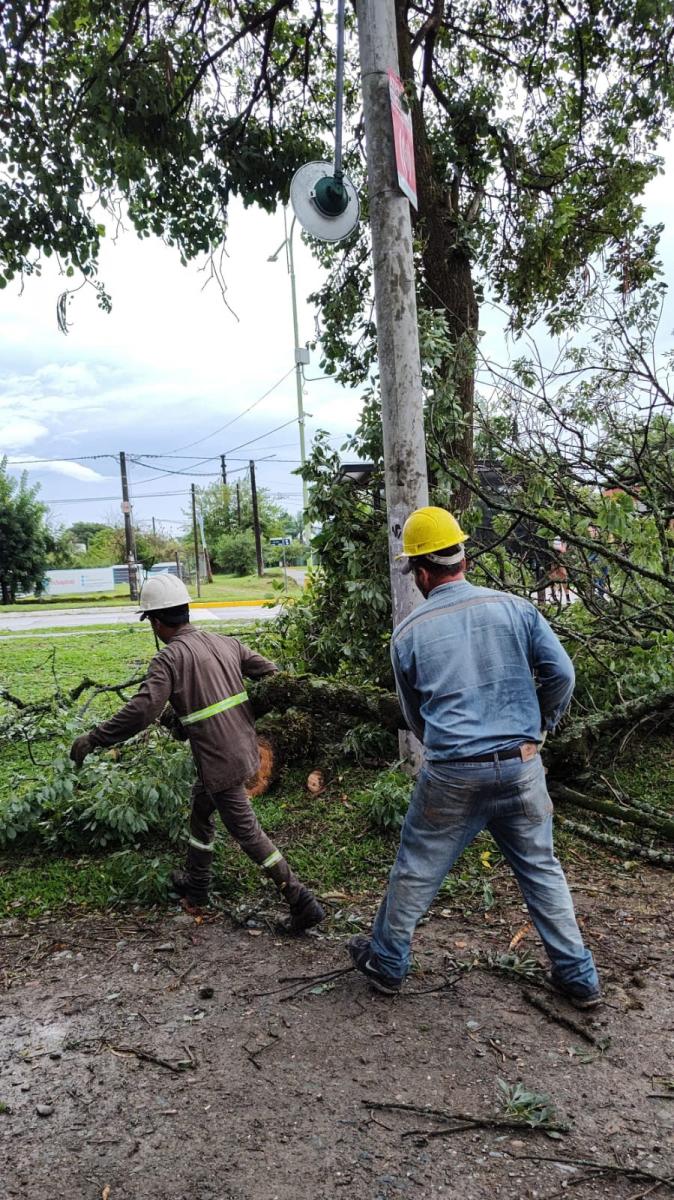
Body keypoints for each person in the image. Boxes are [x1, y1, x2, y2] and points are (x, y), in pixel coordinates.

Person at [348, 507, 601, 1008]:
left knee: (416, 869)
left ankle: (388, 963)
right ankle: (578, 977)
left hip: (453, 776)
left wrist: (450, 749)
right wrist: (539, 727)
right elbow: (563, 675)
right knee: (541, 870)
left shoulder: (409, 634)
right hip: (521, 767)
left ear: (421, 572)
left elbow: (415, 717)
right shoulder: (517, 610)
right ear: (462, 558)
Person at [69, 572, 324, 933]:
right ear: (185, 611)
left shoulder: (168, 660)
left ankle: (301, 901)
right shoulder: (226, 643)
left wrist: (95, 738)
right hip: (244, 751)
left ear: (156, 622)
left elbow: (143, 711)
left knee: (249, 834)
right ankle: (198, 884)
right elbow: (274, 676)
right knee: (201, 810)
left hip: (221, 763)